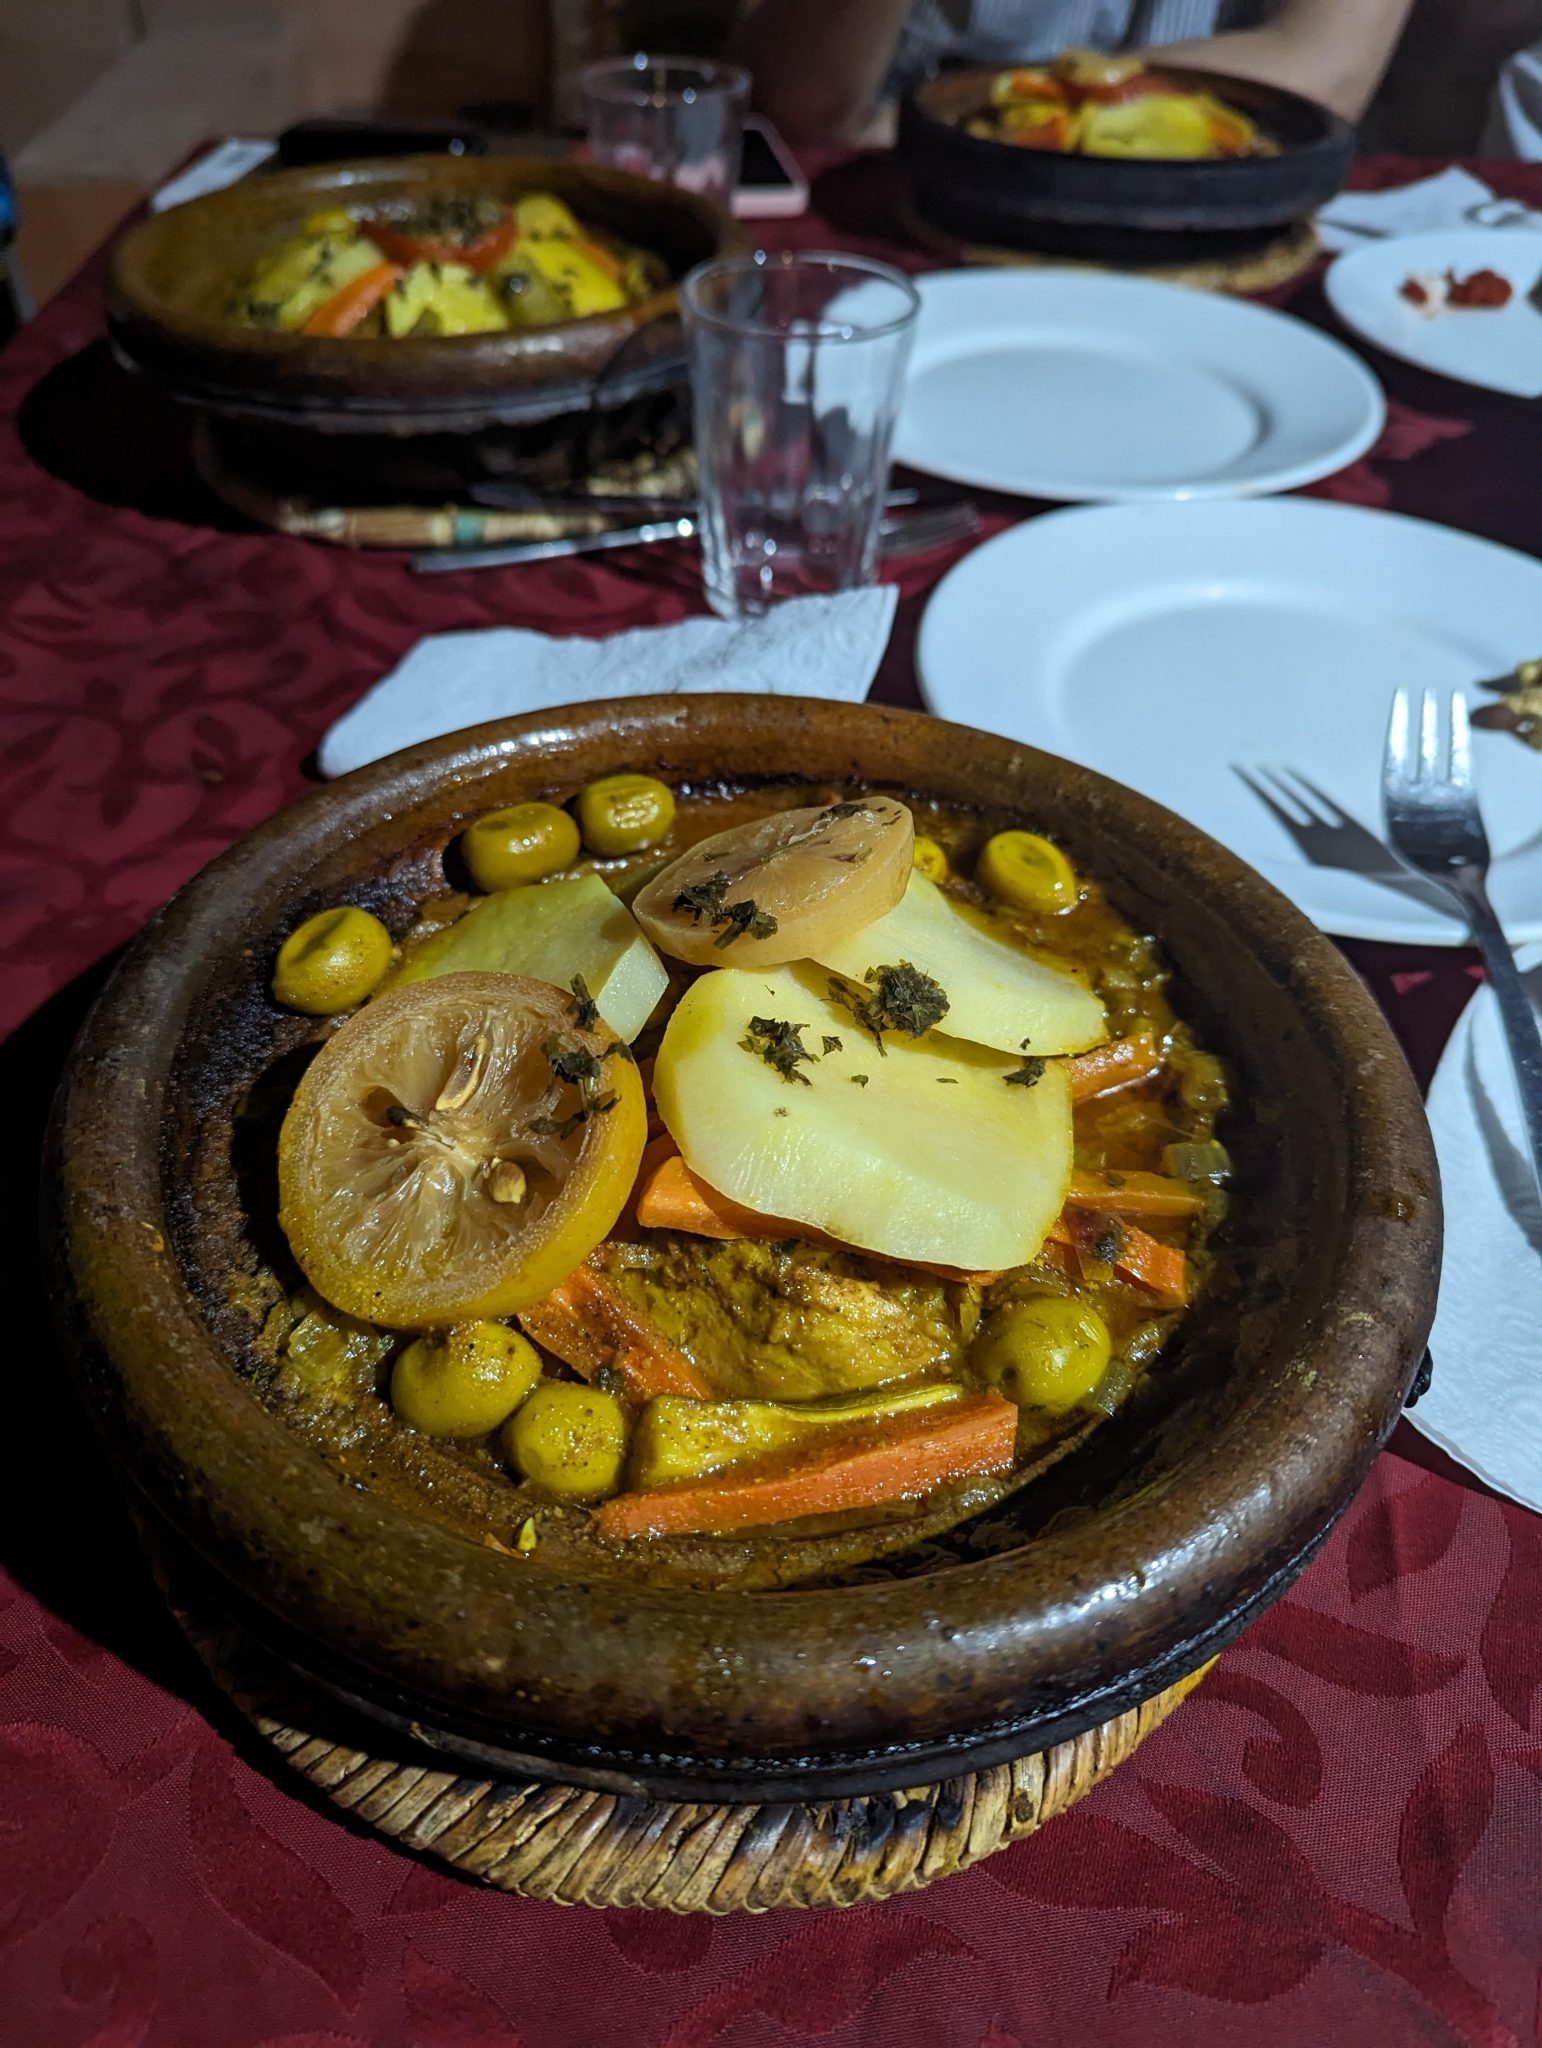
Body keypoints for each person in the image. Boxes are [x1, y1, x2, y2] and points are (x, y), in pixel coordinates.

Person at [734, 0, 1416, 142]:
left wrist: (967, 111)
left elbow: (1325, 68)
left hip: (1215, 204)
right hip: (909, 210)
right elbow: (802, 104)